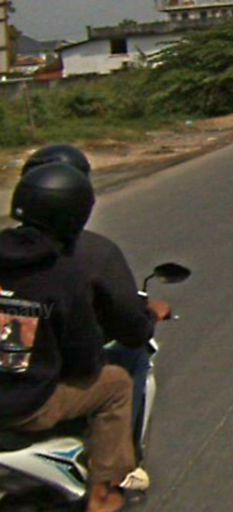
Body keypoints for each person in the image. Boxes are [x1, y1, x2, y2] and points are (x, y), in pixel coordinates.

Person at [0, 162, 134, 512]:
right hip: (24, 408)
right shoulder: (62, 274)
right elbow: (83, 360)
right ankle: (104, 493)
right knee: (117, 383)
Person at [21, 145, 171, 446]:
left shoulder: (11, 250)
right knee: (120, 379)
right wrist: (150, 315)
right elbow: (130, 329)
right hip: (34, 393)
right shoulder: (91, 254)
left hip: (15, 378)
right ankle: (114, 471)